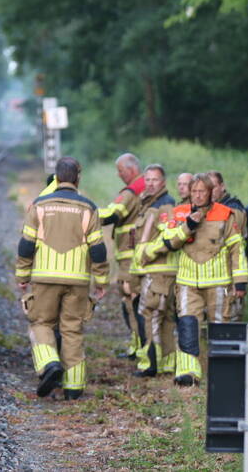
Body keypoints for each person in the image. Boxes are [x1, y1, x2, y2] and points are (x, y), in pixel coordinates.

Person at [142, 172, 248, 386]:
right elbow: (169, 242)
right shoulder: (178, 213)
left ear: (211, 193)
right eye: (194, 192)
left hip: (218, 282)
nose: (198, 196)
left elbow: (237, 250)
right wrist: (187, 226)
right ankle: (188, 373)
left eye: (202, 191)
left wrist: (240, 282)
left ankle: (222, 372)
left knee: (220, 326)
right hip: (188, 282)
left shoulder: (226, 214)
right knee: (188, 326)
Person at [17, 157, 108, 399]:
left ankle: (49, 364)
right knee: (72, 330)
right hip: (77, 279)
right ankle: (74, 388)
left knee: (41, 323)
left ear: (56, 178)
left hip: (45, 277)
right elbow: (98, 249)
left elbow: (26, 244)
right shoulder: (89, 208)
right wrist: (101, 280)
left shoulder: (39, 205)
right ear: (78, 178)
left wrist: (22, 274)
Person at [98, 153, 146, 360]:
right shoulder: (146, 187)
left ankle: (139, 347)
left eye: (120, 170)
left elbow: (111, 214)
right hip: (136, 253)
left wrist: (84, 213)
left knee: (131, 299)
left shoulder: (131, 191)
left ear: (132, 169)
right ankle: (138, 346)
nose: (118, 175)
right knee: (135, 300)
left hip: (130, 255)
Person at [131, 164, 176, 377]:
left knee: (149, 314)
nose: (150, 184)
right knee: (164, 317)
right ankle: (167, 363)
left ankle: (150, 363)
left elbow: (169, 237)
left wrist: (147, 254)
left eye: (154, 180)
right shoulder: (150, 203)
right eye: (147, 180)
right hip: (154, 270)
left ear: (163, 182)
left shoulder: (165, 205)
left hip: (159, 270)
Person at [207, 170, 248, 323]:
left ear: (222, 186)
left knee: (229, 321)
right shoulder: (206, 209)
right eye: (206, 188)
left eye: (213, 187)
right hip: (211, 277)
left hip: (230, 277)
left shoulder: (234, 209)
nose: (210, 192)